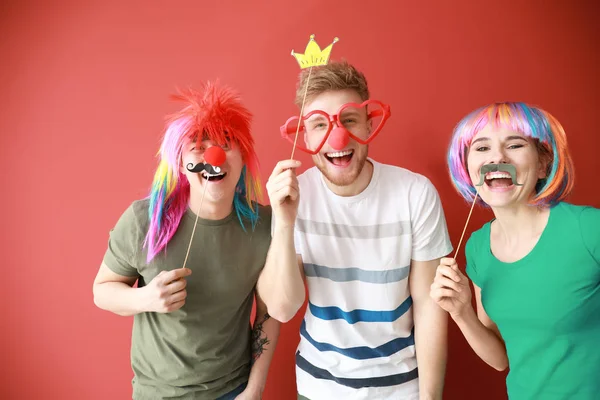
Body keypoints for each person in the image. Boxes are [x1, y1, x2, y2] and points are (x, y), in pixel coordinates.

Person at [258, 60, 453, 399]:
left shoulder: (415, 194)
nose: (338, 136)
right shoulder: (293, 197)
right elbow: (281, 309)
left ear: (368, 124)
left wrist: (430, 397)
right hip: (317, 388)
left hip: (400, 390)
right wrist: (285, 222)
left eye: (349, 120)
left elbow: (429, 305)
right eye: (320, 124)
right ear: (305, 136)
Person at [93, 82, 279, 400]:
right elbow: (102, 291)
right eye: (198, 145)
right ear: (181, 162)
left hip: (233, 391)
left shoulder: (264, 225)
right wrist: (146, 299)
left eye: (227, 142)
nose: (214, 154)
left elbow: (268, 313)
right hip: (156, 394)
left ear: (244, 157)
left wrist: (254, 390)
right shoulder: (144, 221)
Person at [432, 102, 600, 399]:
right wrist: (460, 312)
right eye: (482, 148)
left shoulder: (589, 229)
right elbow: (500, 359)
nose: (497, 157)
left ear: (543, 164)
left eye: (515, 144)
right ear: (468, 169)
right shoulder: (478, 247)